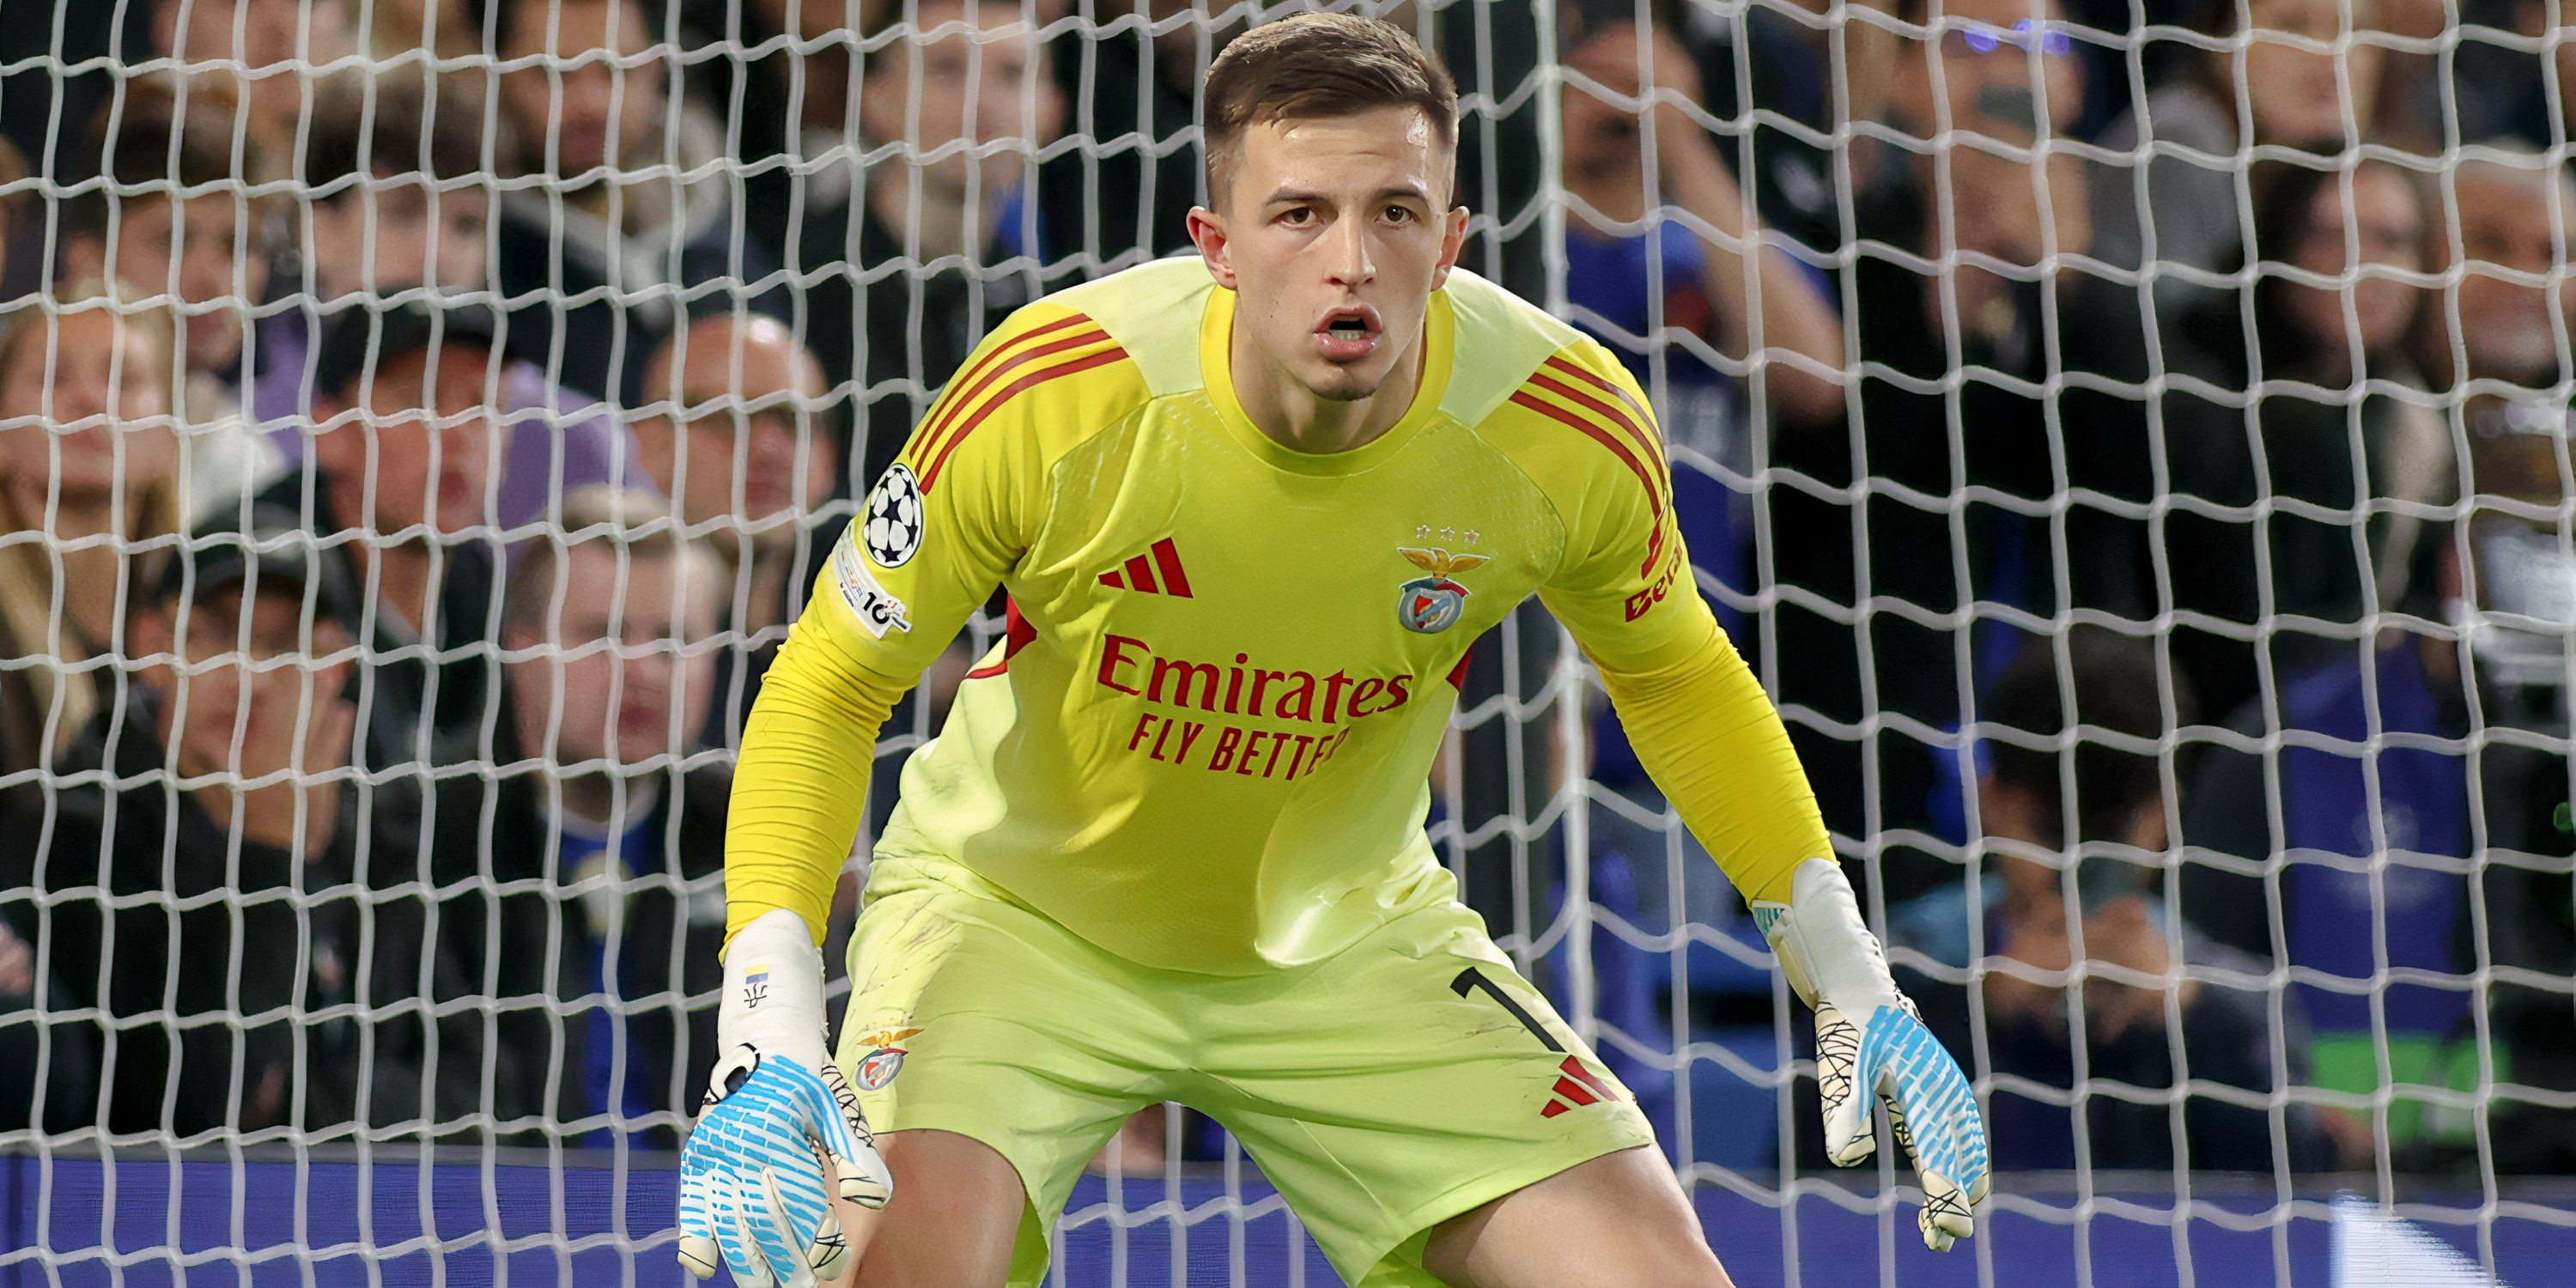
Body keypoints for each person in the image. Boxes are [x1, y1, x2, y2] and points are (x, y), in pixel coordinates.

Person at [674, 15, 1987, 1288]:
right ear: (1218, 243)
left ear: (1454, 236)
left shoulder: (1561, 424)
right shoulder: (1057, 388)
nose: (1350, 260)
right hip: (1016, 925)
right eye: (1300, 213)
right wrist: (766, 1020)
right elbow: (828, 681)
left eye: (1396, 214)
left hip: (1352, 933)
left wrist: (1845, 968)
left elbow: (1678, 679)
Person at [1766, 0, 2093, 905]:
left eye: (2035, 45)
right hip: (1855, 730)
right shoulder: (1839, 254)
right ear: (1901, 76)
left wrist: (2067, 284)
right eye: (1968, 41)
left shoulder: (2104, 297)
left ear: (2073, 82)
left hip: (2058, 740)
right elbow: (1850, 460)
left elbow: (2135, 491)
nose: (2002, 72)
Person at [0, 511, 459, 1136]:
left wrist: (294, 1104)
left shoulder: (381, 833)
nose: (250, 678)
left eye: (282, 645)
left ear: (336, 668)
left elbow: (478, 1084)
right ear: (151, 649)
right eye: (216, 635)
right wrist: (270, 857)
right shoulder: (71, 841)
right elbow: (171, 1115)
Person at [1885, 631, 2343, 1173]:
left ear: (2165, 813)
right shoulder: (1898, 972)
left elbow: (2301, 1210)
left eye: (2106, 846)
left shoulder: (2236, 1004)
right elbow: (1815, 1176)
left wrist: (2189, 1024)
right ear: (1991, 803)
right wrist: (1981, 1016)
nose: (2074, 878)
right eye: (2050, 834)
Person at [428, 485, 732, 1145]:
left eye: (674, 641)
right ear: (523, 647)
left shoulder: (753, 838)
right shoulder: (421, 835)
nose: (643, 670)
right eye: (603, 635)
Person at [280, 73, 652, 542]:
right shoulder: (245, 410)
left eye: (467, 224)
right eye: (403, 212)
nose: (437, 253)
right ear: (319, 233)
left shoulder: (575, 441)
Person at [2133, 160, 2438, 723]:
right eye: (2331, 236)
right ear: (2278, 246)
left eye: (2392, 240)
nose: (2363, 266)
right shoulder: (2197, 385)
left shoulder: (2406, 410)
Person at [740, 0, 1063, 488]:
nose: (983, 104)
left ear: (1052, 111)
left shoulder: (1053, 305)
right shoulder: (792, 283)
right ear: (876, 97)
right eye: (947, 70)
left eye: (1013, 75)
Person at [481, 0, 779, 406]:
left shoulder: (729, 241)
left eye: (616, 71)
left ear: (656, 70)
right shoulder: (476, 264)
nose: (590, 104)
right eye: (553, 73)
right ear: (496, 76)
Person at [276, 298, 511, 771]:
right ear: (332, 432)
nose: (459, 430)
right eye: (419, 400)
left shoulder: (477, 584)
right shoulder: (270, 580)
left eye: (482, 404)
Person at [59, 72, 292, 518]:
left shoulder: (251, 468)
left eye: (239, 246)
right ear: (86, 261)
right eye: (173, 241)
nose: (213, 279)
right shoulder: (22, 426)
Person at [0, 281, 181, 815]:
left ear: (171, 435)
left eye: (124, 380)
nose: (89, 399)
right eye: (54, 377)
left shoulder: (207, 613)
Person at [629, 313, 837, 744]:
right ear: (651, 444)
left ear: (829, 461)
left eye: (791, 421)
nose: (766, 448)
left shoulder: (870, 665)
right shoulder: (618, 664)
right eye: (729, 418)